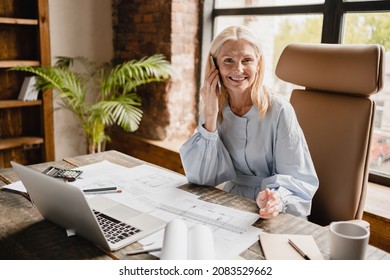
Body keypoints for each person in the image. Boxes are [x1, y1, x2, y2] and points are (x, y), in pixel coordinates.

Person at [179, 26, 319, 219]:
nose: (238, 69)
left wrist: (276, 199)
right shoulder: (213, 108)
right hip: (230, 203)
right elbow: (201, 179)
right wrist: (210, 115)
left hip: (275, 210)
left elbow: (298, 178)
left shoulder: (280, 110)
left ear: (258, 63)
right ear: (214, 66)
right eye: (228, 60)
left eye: (247, 60)